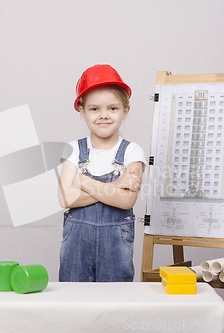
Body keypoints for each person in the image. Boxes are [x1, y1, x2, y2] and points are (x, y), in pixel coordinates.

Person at [58, 64, 146, 282]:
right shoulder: (73, 150)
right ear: (82, 111)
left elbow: (126, 201)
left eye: (113, 108)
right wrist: (115, 187)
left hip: (115, 250)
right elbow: (64, 198)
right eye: (94, 109)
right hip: (76, 251)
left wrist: (81, 181)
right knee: (74, 302)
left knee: (115, 304)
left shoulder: (132, 151)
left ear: (126, 110)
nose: (103, 115)